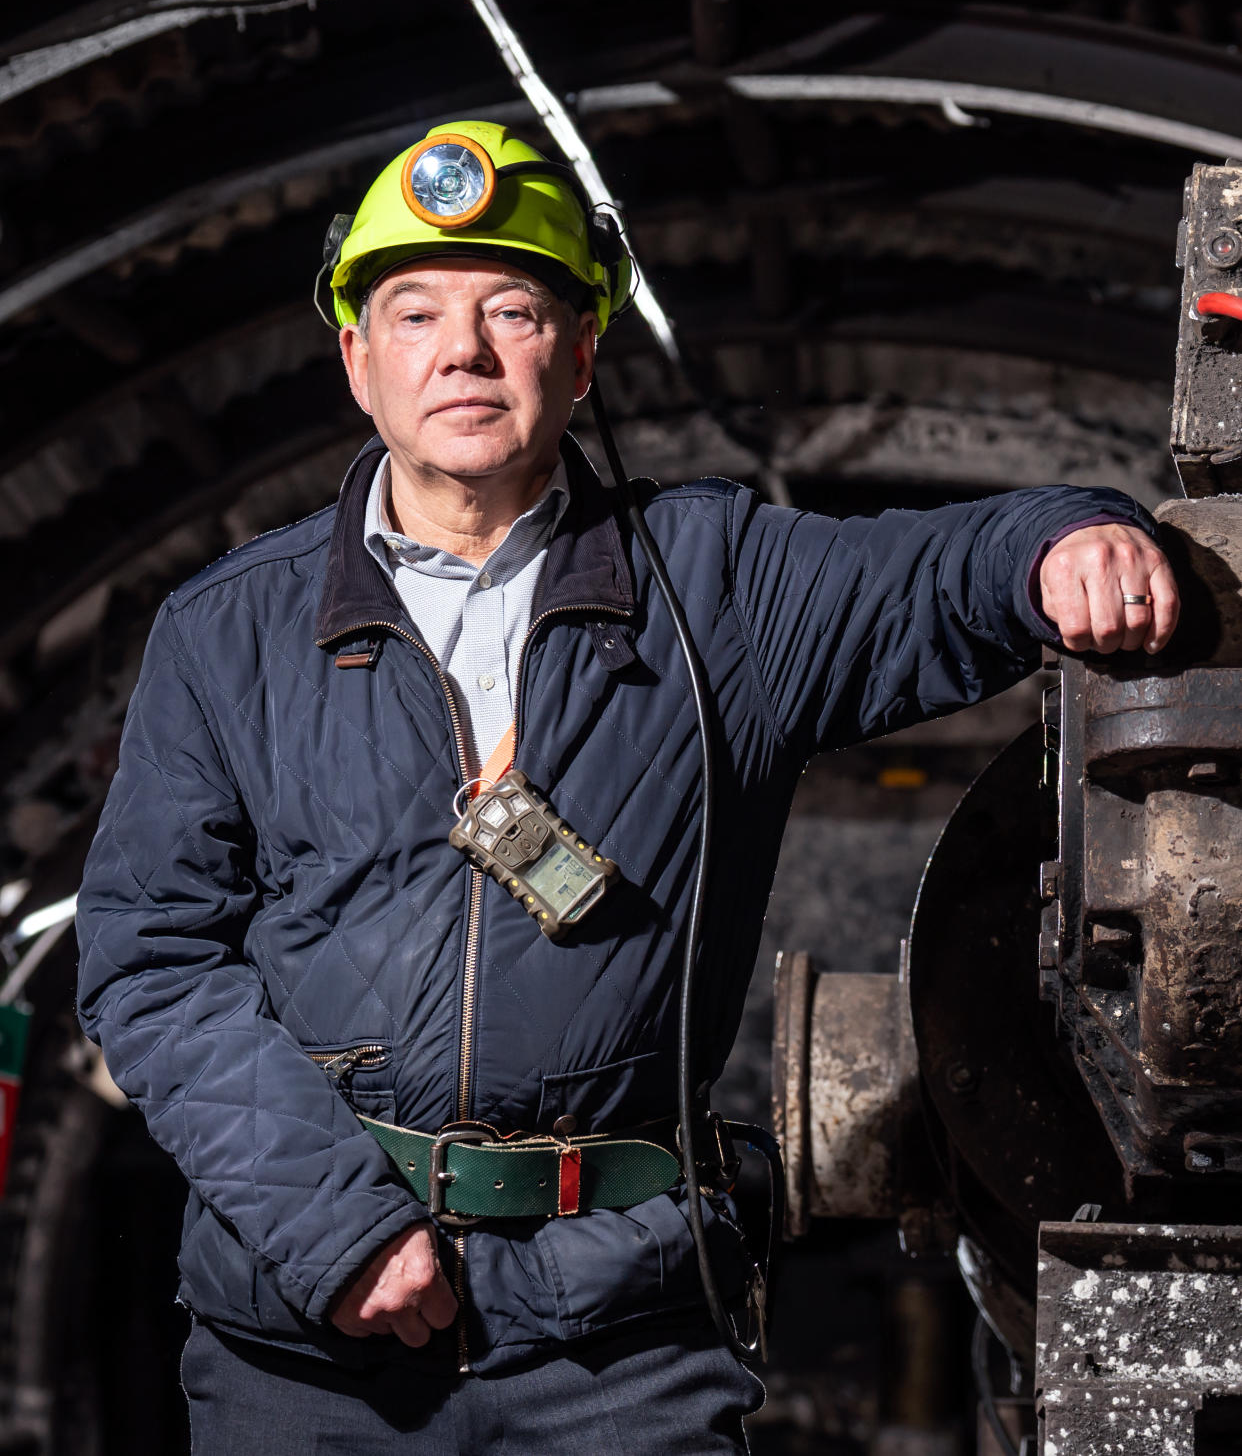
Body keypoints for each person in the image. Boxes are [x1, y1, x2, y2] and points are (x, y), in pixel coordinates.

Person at [76, 120, 1179, 1454]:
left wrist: (1066, 537)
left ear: (582, 354)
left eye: (514, 309)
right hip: (313, 1345)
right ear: (357, 363)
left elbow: (948, 569)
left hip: (620, 1341)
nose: (464, 350)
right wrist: (335, 1228)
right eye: (414, 311)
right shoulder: (230, 630)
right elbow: (151, 959)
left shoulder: (714, 591)